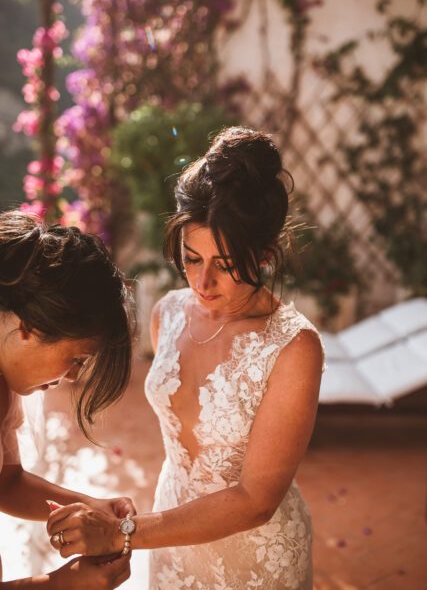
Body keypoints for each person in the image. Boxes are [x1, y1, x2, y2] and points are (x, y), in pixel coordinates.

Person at [47, 127, 325, 589]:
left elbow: (256, 499)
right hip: (174, 537)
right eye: (192, 258)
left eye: (226, 263)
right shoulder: (168, 314)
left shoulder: (294, 348)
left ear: (264, 255)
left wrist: (123, 534)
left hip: (256, 560)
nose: (203, 281)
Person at [0, 211, 133, 589]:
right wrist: (62, 584)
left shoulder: (5, 382)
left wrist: (91, 505)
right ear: (29, 327)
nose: (73, 376)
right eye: (77, 359)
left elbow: (5, 482)